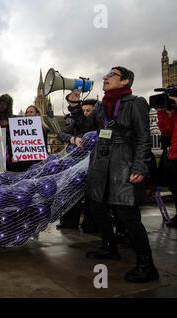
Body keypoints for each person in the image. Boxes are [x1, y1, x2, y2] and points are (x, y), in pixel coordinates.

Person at [68, 66, 159, 283]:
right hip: (102, 160)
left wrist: (139, 167)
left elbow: (143, 138)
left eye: (112, 75)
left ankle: (146, 264)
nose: (106, 78)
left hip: (124, 161)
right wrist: (75, 106)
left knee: (127, 215)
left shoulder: (136, 103)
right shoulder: (101, 105)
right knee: (97, 206)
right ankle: (109, 246)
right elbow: (85, 125)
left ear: (125, 81)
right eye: (106, 75)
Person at [56, 99, 98, 232]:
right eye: (83, 110)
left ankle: (91, 225)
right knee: (71, 193)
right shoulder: (75, 123)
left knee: (92, 198)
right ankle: (69, 222)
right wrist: (72, 138)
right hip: (76, 164)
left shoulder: (100, 123)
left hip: (95, 165)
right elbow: (61, 134)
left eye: (88, 111)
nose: (85, 113)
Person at [156, 96, 177, 227]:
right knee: (174, 187)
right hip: (174, 153)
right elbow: (167, 131)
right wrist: (162, 112)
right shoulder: (174, 113)